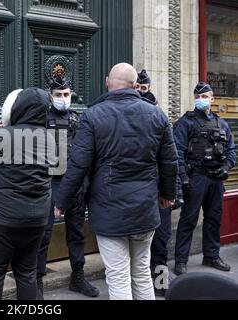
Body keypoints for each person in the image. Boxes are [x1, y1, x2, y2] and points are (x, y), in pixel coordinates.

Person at [54, 63, 178, 300]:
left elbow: (78, 165)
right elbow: (170, 163)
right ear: (135, 85)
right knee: (141, 272)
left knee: (118, 275)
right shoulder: (156, 114)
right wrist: (167, 196)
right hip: (144, 208)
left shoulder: (92, 115)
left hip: (109, 210)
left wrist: (62, 202)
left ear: (107, 82)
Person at [0, 88, 53, 300]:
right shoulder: (51, 138)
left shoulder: (2, 136)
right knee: (27, 273)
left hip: (4, 218)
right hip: (37, 218)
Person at [36, 77, 99, 299]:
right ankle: (37, 283)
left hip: (74, 184)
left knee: (76, 233)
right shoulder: (40, 119)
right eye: (58, 94)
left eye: (66, 94)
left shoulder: (79, 120)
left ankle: (78, 277)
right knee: (43, 235)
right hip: (49, 182)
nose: (63, 99)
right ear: (50, 95)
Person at [173, 82, 236, 276]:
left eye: (206, 96)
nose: (203, 100)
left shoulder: (221, 123)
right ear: (195, 99)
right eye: (199, 97)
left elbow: (232, 151)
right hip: (196, 177)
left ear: (212, 98)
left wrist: (226, 168)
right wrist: (183, 178)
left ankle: (211, 255)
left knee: (213, 219)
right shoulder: (186, 123)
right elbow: (177, 152)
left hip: (216, 178)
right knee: (188, 220)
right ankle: (181, 260)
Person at [137, 69, 174, 296]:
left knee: (161, 241)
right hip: (141, 192)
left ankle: (160, 283)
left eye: (145, 87)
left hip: (159, 192)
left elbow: (171, 160)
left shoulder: (160, 119)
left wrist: (173, 192)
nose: (143, 91)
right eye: (139, 87)